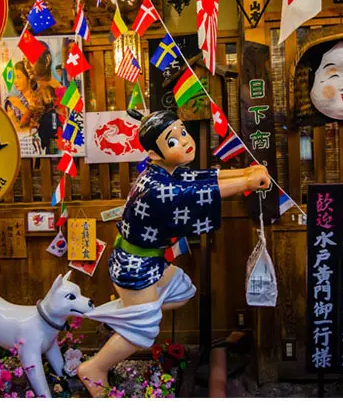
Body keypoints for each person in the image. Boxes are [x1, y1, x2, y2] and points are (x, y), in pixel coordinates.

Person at [79, 109, 271, 396]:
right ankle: (95, 367)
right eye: (172, 141)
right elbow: (196, 194)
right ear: (153, 154)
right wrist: (246, 183)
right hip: (135, 265)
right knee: (144, 331)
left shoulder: (167, 172)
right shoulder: (155, 187)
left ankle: (131, 310)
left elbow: (203, 178)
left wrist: (245, 172)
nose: (184, 141)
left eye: (182, 132)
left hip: (149, 260)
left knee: (182, 290)